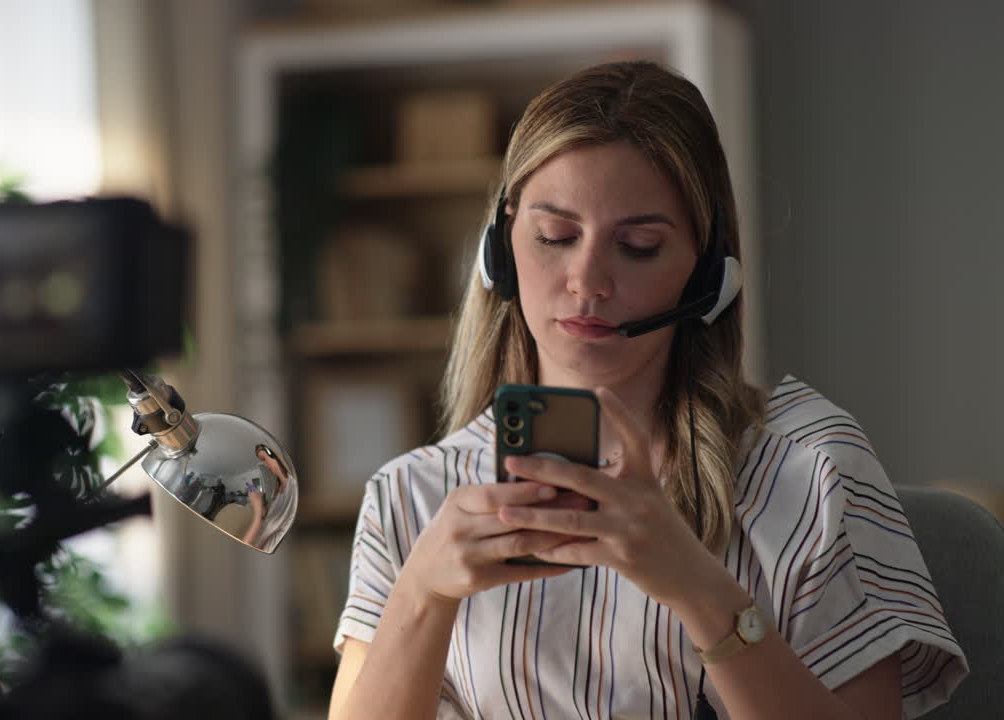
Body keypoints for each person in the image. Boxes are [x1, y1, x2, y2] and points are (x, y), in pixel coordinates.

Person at [328, 61, 966, 720]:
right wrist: (419, 596)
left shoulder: (809, 471)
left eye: (636, 247)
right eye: (555, 237)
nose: (587, 281)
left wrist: (698, 589)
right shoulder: (412, 497)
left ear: (705, 274)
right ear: (501, 248)